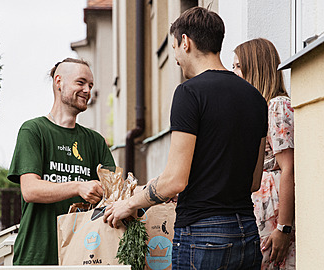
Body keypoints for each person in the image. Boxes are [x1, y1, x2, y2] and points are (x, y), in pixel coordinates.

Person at [103, 7, 267, 269]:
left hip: (203, 236)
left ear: (186, 42)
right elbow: (253, 181)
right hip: (246, 231)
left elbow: (174, 180)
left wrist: (130, 203)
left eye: (175, 47)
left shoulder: (189, 93)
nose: (176, 57)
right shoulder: (256, 98)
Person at [7, 58, 115, 265]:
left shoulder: (95, 141)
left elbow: (115, 192)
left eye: (90, 85)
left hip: (83, 258)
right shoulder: (33, 130)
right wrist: (78, 186)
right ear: (59, 82)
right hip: (37, 258)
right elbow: (30, 190)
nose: (87, 90)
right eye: (80, 82)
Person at [233, 38, 296, 269]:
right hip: (259, 203)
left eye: (239, 66)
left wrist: (283, 227)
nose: (234, 72)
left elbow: (289, 167)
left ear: (255, 66)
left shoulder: (277, 105)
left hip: (275, 206)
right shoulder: (258, 107)